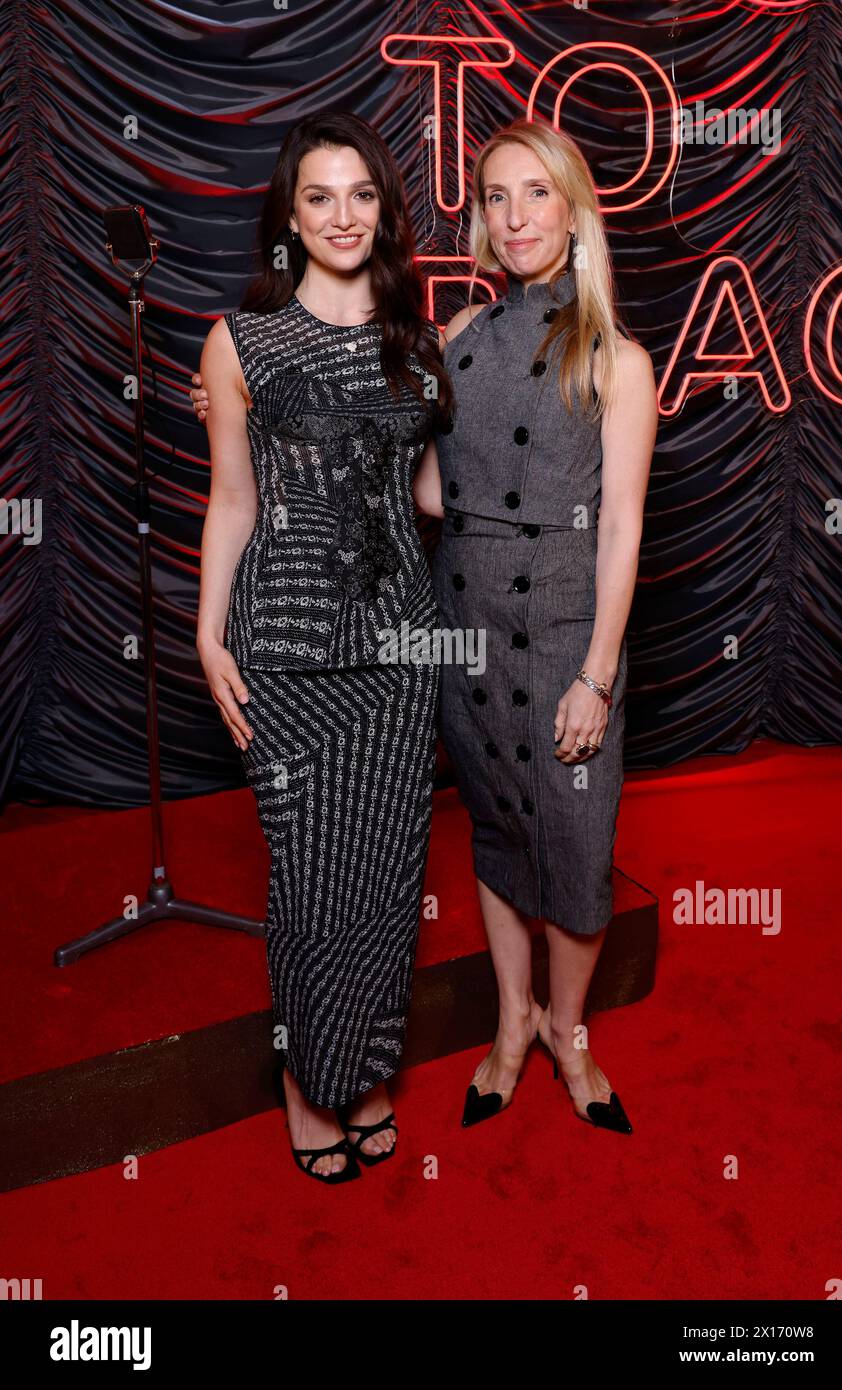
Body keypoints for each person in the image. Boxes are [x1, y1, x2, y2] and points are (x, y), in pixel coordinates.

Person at [194, 110, 450, 1182]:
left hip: (400, 650)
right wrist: (208, 635)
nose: (344, 216)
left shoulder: (417, 339)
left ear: (384, 210)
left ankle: (371, 1066)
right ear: (289, 219)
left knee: (388, 874)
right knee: (307, 881)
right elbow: (232, 500)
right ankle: (308, 1081)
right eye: (319, 197)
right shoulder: (240, 342)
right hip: (286, 654)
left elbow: (432, 495)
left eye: (361, 195)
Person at [429, 118, 656, 1133]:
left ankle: (571, 1032)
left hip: (566, 628)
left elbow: (621, 523)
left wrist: (597, 672)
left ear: (573, 208)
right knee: (496, 832)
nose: (514, 216)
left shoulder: (615, 355)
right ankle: (511, 1022)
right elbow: (437, 494)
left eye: (534, 193)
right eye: (495, 196)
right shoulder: (459, 343)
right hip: (468, 620)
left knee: (574, 843)